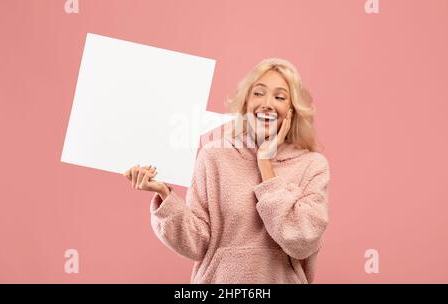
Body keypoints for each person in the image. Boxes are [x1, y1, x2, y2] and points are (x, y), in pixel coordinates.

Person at [124, 58, 330, 284]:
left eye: (279, 97)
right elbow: (197, 242)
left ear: (291, 111)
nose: (267, 104)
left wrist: (265, 164)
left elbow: (301, 241)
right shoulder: (214, 156)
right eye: (258, 93)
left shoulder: (312, 165)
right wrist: (164, 196)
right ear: (245, 104)